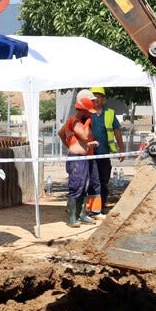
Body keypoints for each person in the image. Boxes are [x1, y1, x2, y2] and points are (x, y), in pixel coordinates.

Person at [57, 91, 100, 228]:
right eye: (88, 112)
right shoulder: (74, 121)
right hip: (76, 159)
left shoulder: (79, 121)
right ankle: (71, 218)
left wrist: (87, 145)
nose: (90, 114)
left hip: (83, 158)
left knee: (84, 187)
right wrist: (89, 121)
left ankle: (81, 214)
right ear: (83, 111)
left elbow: (84, 140)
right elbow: (84, 136)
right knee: (76, 187)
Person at [87, 86, 125, 216]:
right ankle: (91, 209)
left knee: (103, 181)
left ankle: (100, 207)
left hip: (104, 154)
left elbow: (117, 131)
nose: (96, 98)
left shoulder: (109, 113)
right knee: (92, 181)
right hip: (89, 154)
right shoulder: (86, 113)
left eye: (99, 95)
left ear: (103, 98)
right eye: (94, 96)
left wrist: (122, 149)